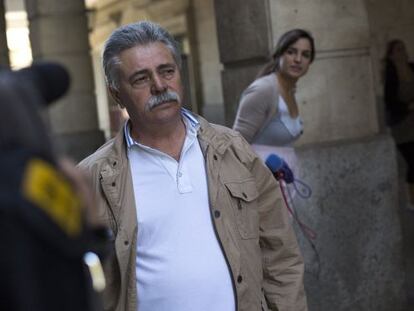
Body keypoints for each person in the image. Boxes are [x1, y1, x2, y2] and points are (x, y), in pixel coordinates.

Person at [78, 21, 307, 311]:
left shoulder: (232, 149)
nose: (159, 86)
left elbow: (281, 256)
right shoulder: (94, 177)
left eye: (167, 71)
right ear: (116, 94)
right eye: (140, 79)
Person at [232, 29, 314, 166]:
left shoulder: (290, 90)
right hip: (260, 182)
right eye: (291, 52)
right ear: (279, 54)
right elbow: (236, 146)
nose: (298, 59)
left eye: (305, 55)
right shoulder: (264, 90)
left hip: (286, 182)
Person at [383, 39, 414, 207]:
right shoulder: (391, 73)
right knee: (413, 161)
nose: (402, 52)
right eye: (398, 49)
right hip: (402, 125)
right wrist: (409, 106)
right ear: (391, 55)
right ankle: (411, 199)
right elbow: (391, 102)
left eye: (403, 48)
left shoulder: (412, 67)